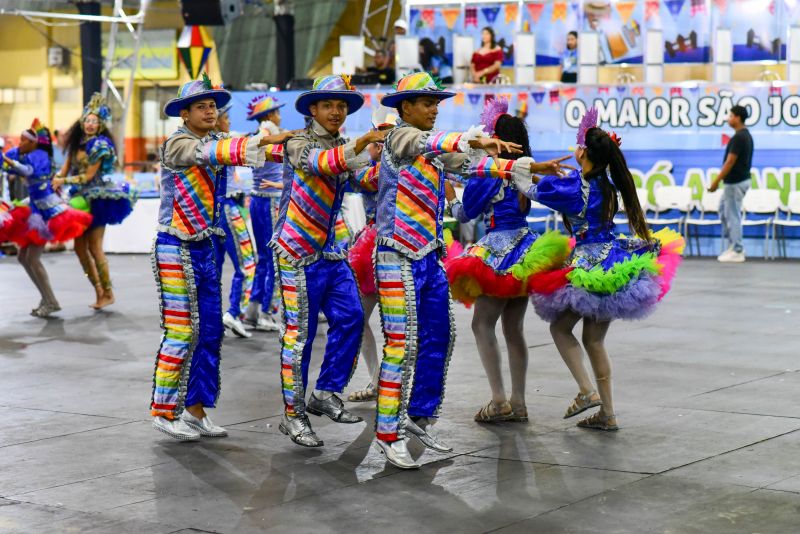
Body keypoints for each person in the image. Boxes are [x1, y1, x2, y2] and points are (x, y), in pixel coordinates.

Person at [373, 71, 573, 469]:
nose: (434, 109)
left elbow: (473, 168)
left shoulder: (434, 146)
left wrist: (528, 168)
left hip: (429, 256)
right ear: (405, 107)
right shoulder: (399, 138)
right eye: (427, 103)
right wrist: (474, 140)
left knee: (440, 337)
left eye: (437, 103)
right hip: (396, 255)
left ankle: (418, 417)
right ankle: (386, 431)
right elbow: (427, 143)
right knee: (402, 343)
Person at [524, 108, 685, 432]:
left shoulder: (576, 188)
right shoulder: (606, 184)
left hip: (588, 264)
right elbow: (558, 189)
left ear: (583, 151)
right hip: (615, 262)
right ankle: (607, 412)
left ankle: (587, 391)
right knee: (594, 341)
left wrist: (526, 170)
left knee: (559, 329)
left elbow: (532, 190)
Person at [150, 74, 279, 441]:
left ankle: (195, 409)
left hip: (205, 246)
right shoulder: (177, 144)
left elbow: (246, 149)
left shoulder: (217, 139)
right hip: (175, 247)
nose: (210, 112)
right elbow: (211, 153)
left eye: (213, 107)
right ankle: (163, 409)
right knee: (181, 331)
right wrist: (261, 141)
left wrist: (289, 144)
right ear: (185, 114)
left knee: (209, 332)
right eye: (202, 107)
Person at [271, 75, 385, 448]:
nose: (336, 112)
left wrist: (388, 168)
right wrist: (364, 143)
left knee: (353, 316)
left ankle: (326, 392)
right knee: (299, 336)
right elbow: (322, 164)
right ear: (313, 110)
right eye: (329, 105)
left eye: (342, 106)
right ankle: (293, 414)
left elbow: (355, 178)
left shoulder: (340, 144)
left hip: (330, 251)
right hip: (297, 252)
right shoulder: (299, 143)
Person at [444, 99, 571, 424]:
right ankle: (519, 402)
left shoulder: (490, 172)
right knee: (513, 329)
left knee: (481, 324)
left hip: (498, 251)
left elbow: (465, 214)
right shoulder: (523, 168)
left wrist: (449, 196)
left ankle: (499, 399)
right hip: (526, 250)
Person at [54, 93, 136, 310]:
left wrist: (63, 179)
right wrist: (55, 179)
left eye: (95, 121)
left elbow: (89, 177)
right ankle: (99, 291)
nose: (90, 124)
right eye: (88, 120)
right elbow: (63, 170)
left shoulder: (100, 145)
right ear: (82, 122)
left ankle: (108, 292)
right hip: (78, 199)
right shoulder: (75, 144)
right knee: (80, 250)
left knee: (95, 247)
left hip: (98, 198)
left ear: (100, 125)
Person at [3, 119, 93, 317]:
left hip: (48, 212)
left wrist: (7, 160)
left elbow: (26, 171)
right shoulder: (30, 154)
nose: (21, 143)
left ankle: (51, 300)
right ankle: (46, 298)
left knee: (32, 259)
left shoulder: (40, 156)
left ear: (34, 143)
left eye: (24, 141)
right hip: (35, 208)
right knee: (23, 257)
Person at [346, 118, 396, 403]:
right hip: (393, 245)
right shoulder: (401, 171)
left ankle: (380, 380)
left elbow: (348, 174)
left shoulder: (373, 173)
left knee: (360, 318)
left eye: (374, 143)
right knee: (391, 324)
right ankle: (384, 381)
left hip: (373, 250)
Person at [243, 94, 288, 332]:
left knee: (263, 258)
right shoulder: (272, 137)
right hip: (271, 202)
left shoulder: (255, 138)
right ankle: (268, 311)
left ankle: (252, 310)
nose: (280, 116)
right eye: (277, 112)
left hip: (257, 201)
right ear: (270, 116)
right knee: (275, 259)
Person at [708, 105, 753, 263]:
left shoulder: (739, 137)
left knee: (732, 215)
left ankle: (738, 249)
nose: (728, 118)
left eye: (731, 115)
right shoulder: (744, 135)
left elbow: (730, 162)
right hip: (737, 182)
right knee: (723, 211)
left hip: (735, 183)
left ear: (738, 118)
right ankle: (734, 244)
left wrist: (715, 181)